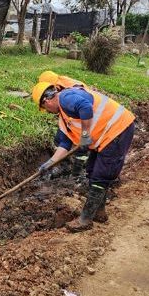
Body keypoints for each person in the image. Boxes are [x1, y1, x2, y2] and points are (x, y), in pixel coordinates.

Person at [32, 80, 135, 232]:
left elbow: (85, 107)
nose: (48, 112)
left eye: (45, 109)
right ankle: (99, 212)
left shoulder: (66, 97)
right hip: (104, 138)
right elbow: (65, 145)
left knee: (101, 174)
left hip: (118, 129)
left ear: (46, 101)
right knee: (92, 170)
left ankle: (85, 219)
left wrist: (85, 136)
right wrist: (50, 163)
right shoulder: (64, 116)